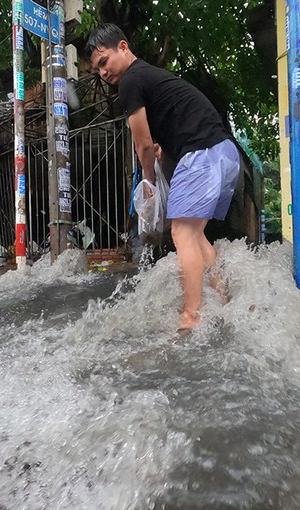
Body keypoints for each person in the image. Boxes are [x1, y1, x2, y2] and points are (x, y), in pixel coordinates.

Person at [85, 23, 240, 331]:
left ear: (124, 47)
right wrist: (163, 150)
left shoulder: (131, 81)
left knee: (181, 233)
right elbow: (168, 131)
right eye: (97, 69)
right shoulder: (151, 77)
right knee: (195, 235)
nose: (103, 72)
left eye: (105, 62)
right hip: (224, 154)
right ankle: (225, 302)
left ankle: (190, 317)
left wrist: (148, 180)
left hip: (202, 155)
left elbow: (142, 144)